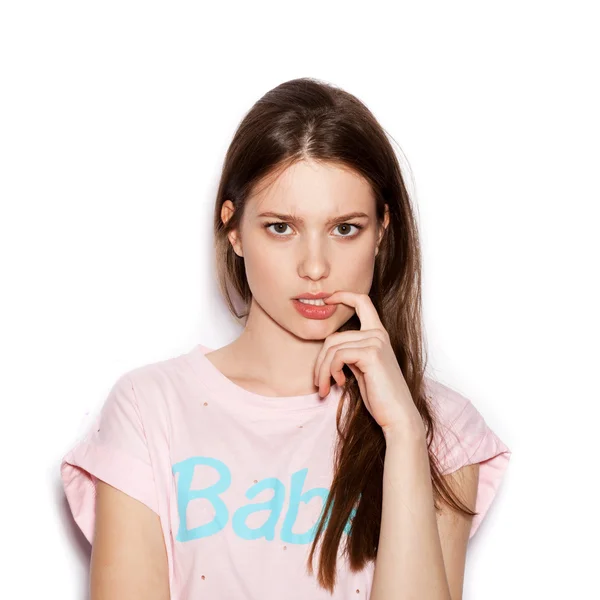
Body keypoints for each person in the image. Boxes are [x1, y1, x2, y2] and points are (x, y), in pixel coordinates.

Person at [60, 77, 512, 599]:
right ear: (233, 229)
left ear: (383, 229)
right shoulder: (149, 409)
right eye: (281, 227)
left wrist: (406, 436)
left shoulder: (440, 429)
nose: (315, 267)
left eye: (345, 228)